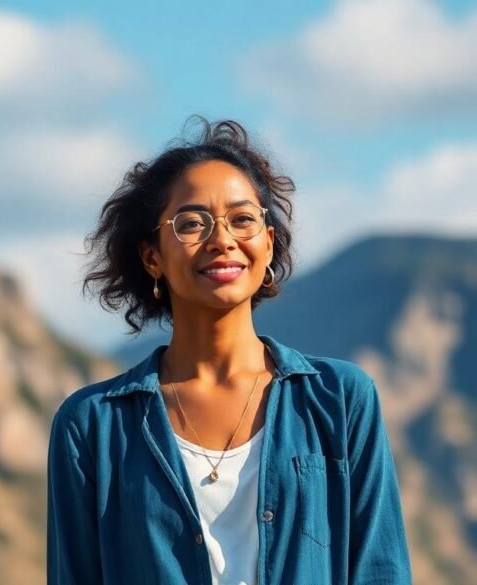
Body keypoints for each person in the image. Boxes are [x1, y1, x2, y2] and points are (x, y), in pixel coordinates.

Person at [47, 119, 410, 584]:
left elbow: (381, 570)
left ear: (268, 243)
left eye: (242, 219)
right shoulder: (92, 425)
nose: (222, 240)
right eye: (192, 223)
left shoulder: (340, 399)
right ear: (152, 256)